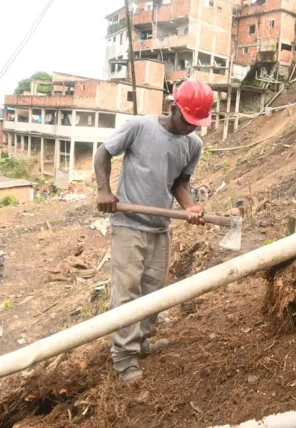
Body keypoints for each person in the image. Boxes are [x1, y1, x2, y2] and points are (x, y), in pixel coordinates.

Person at [94, 79, 212, 383]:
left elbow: (180, 184)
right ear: (173, 108)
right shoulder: (139, 127)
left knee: (154, 292)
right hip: (129, 225)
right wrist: (104, 190)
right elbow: (102, 153)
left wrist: (189, 207)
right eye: (188, 121)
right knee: (127, 293)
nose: (191, 129)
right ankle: (123, 357)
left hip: (160, 228)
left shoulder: (193, 144)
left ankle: (141, 342)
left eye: (197, 124)